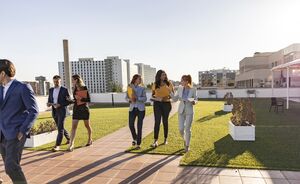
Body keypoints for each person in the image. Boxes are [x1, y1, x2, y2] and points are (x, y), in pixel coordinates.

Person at [0, 59, 38, 183]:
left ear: (2, 73)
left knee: (11, 167)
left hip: (15, 134)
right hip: (2, 134)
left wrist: (23, 130)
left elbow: (34, 110)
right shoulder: (1, 89)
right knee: (10, 167)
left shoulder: (22, 87)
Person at [170, 75, 197, 152]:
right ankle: (185, 140)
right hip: (181, 111)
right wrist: (170, 92)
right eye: (181, 80)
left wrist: (193, 101)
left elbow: (196, 99)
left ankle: (187, 145)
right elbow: (175, 99)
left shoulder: (193, 89)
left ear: (187, 81)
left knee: (187, 129)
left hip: (189, 111)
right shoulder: (180, 88)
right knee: (181, 129)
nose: (181, 82)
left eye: (182, 80)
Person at [68, 74, 92, 151]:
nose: (72, 81)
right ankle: (71, 144)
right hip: (76, 109)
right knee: (74, 127)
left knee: (87, 126)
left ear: (76, 80)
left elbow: (88, 100)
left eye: (72, 80)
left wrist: (80, 98)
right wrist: (70, 100)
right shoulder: (74, 88)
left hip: (84, 109)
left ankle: (90, 139)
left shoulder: (84, 87)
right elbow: (75, 100)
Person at [47, 75, 71, 152]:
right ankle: (69, 139)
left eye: (57, 81)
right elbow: (50, 99)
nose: (56, 83)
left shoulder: (64, 90)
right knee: (60, 127)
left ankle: (57, 145)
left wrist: (60, 104)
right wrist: (49, 103)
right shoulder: (50, 90)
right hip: (54, 110)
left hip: (62, 110)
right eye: (54, 81)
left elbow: (69, 101)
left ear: (60, 81)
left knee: (60, 128)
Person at [151, 70, 174, 147]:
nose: (164, 76)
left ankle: (165, 139)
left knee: (165, 121)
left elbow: (172, 95)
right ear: (159, 76)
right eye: (162, 75)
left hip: (166, 104)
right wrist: (157, 98)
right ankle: (155, 141)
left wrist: (164, 98)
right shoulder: (155, 84)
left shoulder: (169, 83)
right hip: (157, 104)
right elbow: (153, 95)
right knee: (157, 121)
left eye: (165, 75)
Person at [125, 74, 147, 149]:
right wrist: (129, 100)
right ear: (135, 79)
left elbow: (145, 99)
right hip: (132, 109)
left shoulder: (142, 88)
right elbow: (126, 98)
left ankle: (138, 144)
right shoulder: (129, 87)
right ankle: (135, 138)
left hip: (141, 109)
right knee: (131, 125)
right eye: (139, 78)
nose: (140, 80)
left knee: (139, 126)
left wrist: (137, 98)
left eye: (140, 79)